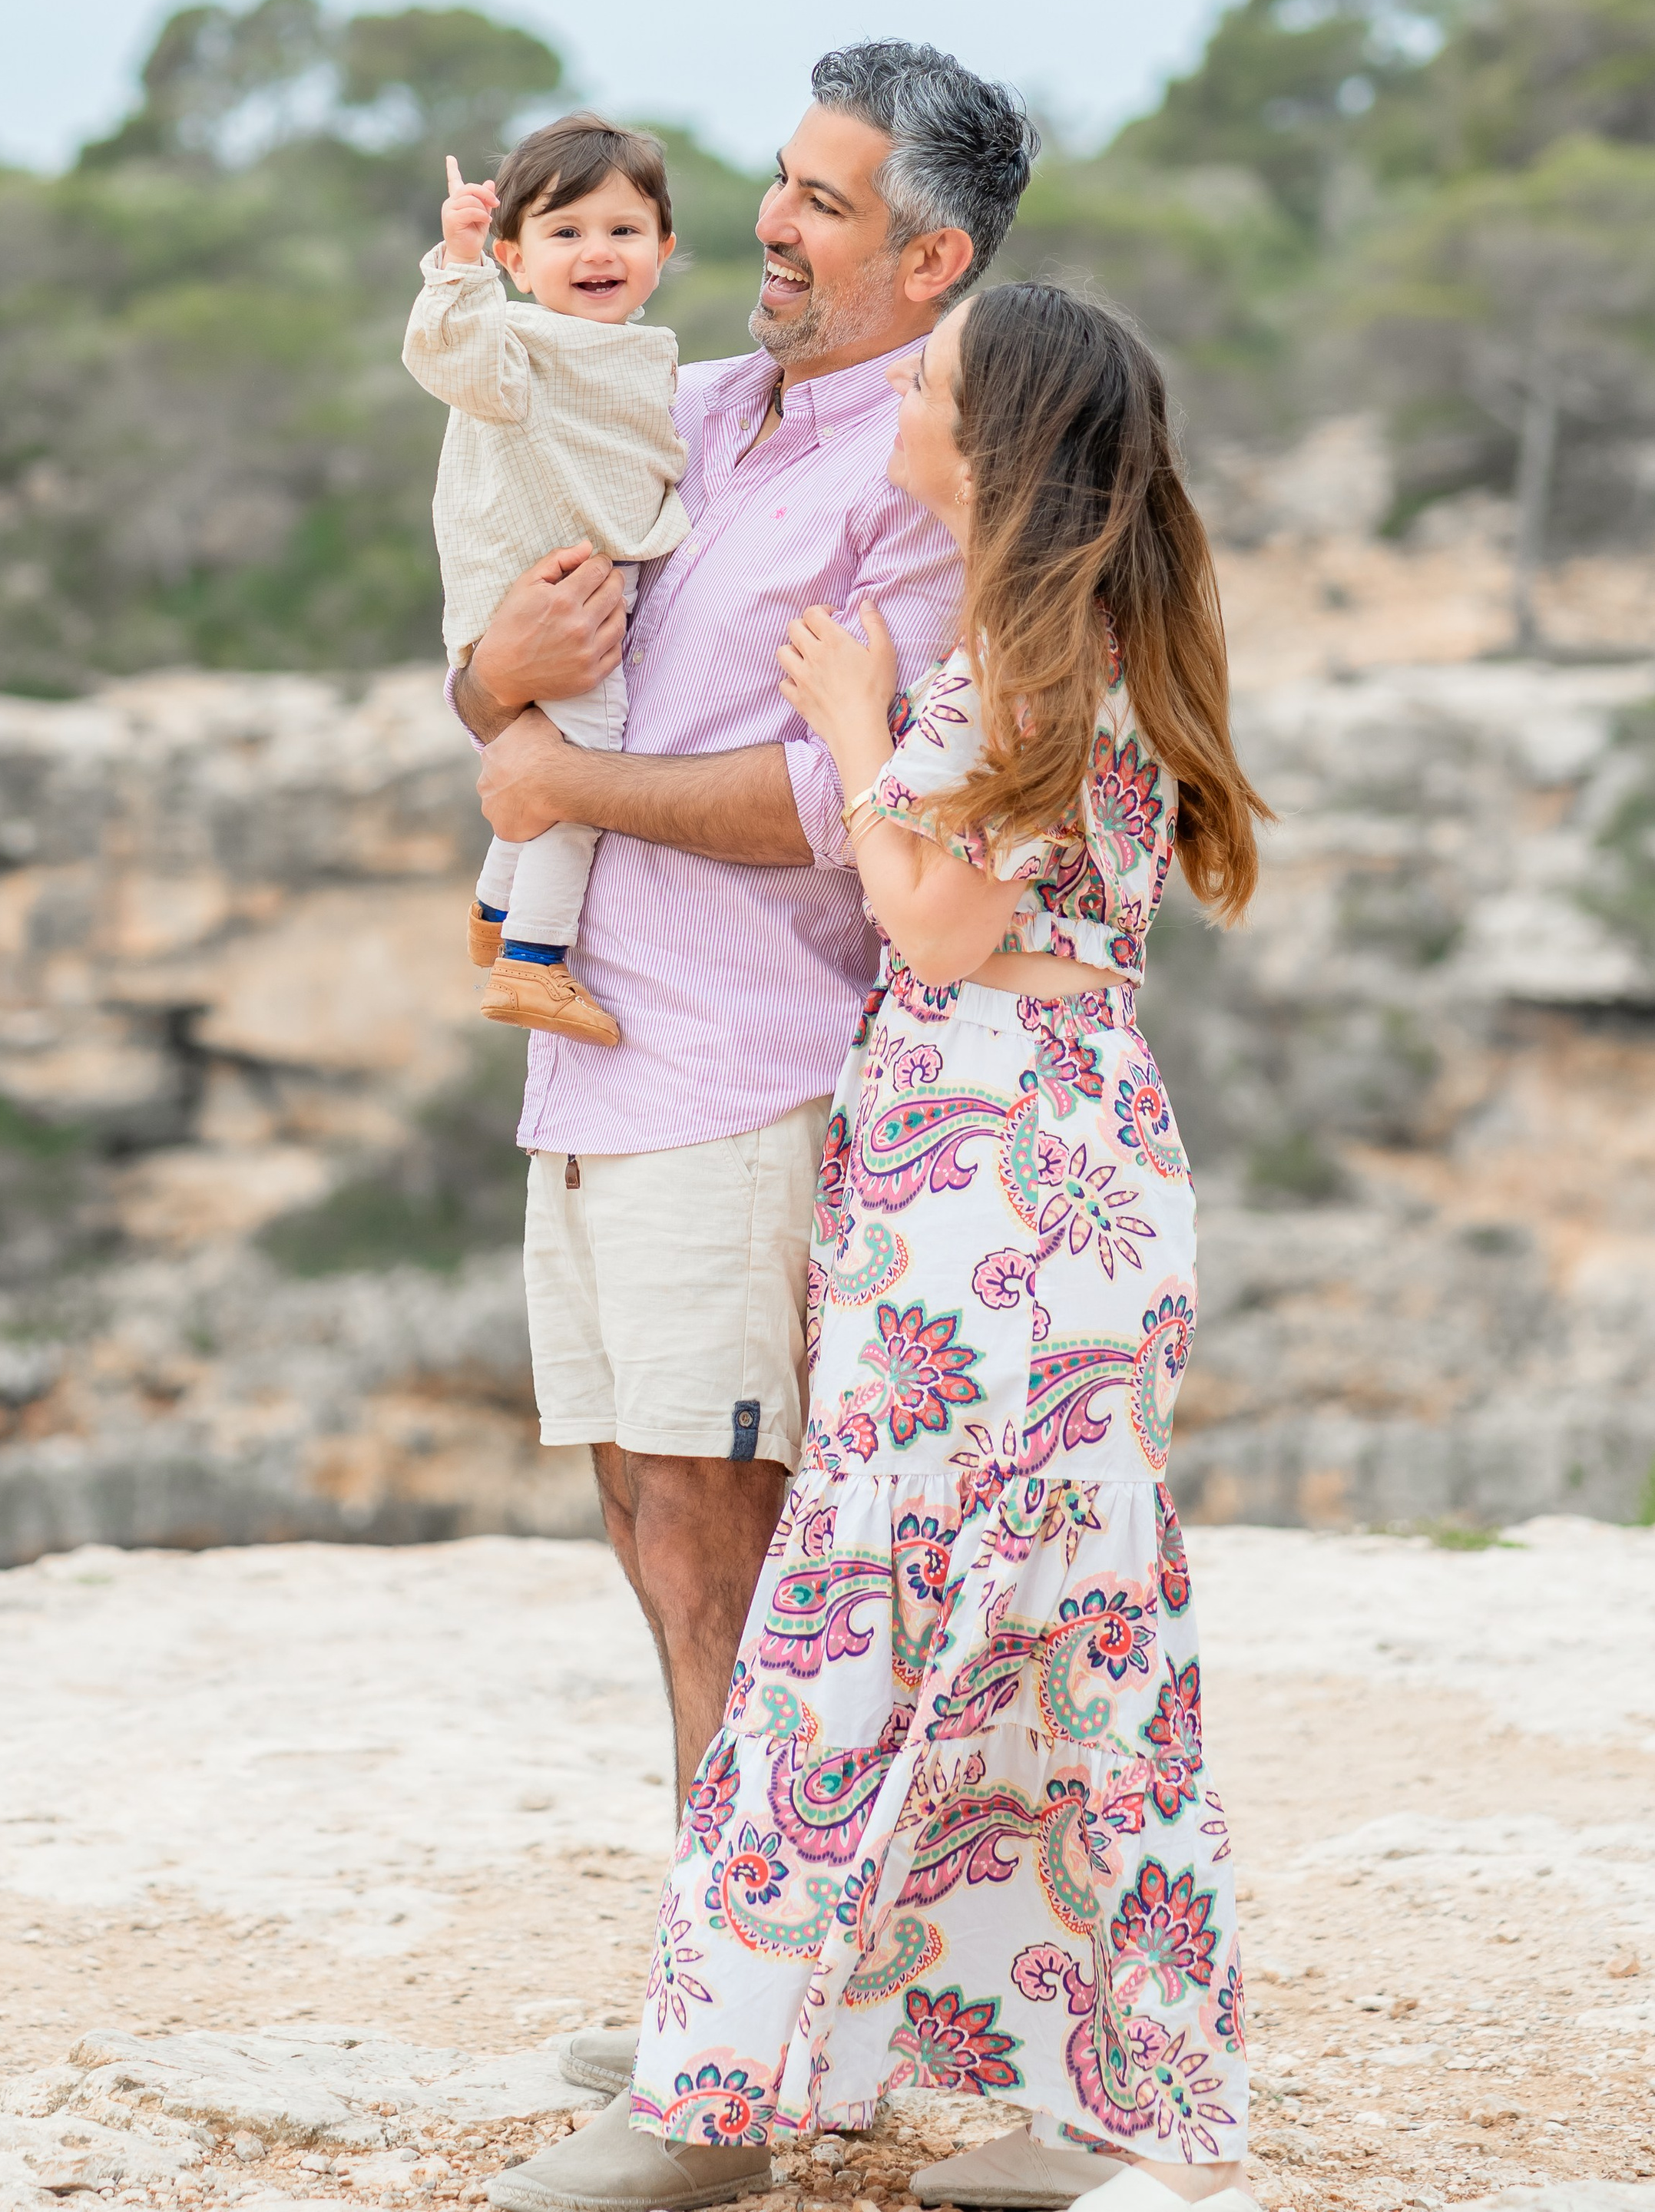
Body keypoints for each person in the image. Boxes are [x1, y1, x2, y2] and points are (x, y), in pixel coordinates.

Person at [495, 283, 1270, 2212]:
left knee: (879, 1603)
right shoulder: (1066, 635)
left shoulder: (1029, 652)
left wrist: (851, 724)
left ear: (989, 438)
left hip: (1004, 1166)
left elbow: (928, 926)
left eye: (925, 385)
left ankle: (731, 2084)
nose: (898, 401)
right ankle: (1056, 2083)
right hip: (1011, 1153)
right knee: (1027, 1613)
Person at [452, 42, 1034, 1953]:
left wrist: (554, 782)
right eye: (778, 182)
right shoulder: (677, 402)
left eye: (825, 202)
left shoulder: (928, 479)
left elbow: (832, 800)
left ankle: (745, 2012)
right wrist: (488, 685)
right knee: (645, 1519)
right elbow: (512, 650)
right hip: (591, 1060)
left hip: (748, 1067)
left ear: (930, 258)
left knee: (731, 1547)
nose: (770, 227)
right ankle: (717, 1977)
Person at [403, 115, 691, 1048]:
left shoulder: (644, 356)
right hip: (543, 597)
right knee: (579, 773)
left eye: (622, 230)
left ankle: (493, 914)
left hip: (573, 592)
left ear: (664, 249)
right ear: (518, 259)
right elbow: (450, 352)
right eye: (564, 234)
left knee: (538, 756)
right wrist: (457, 263)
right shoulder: (517, 346)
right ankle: (534, 961)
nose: (596, 252)